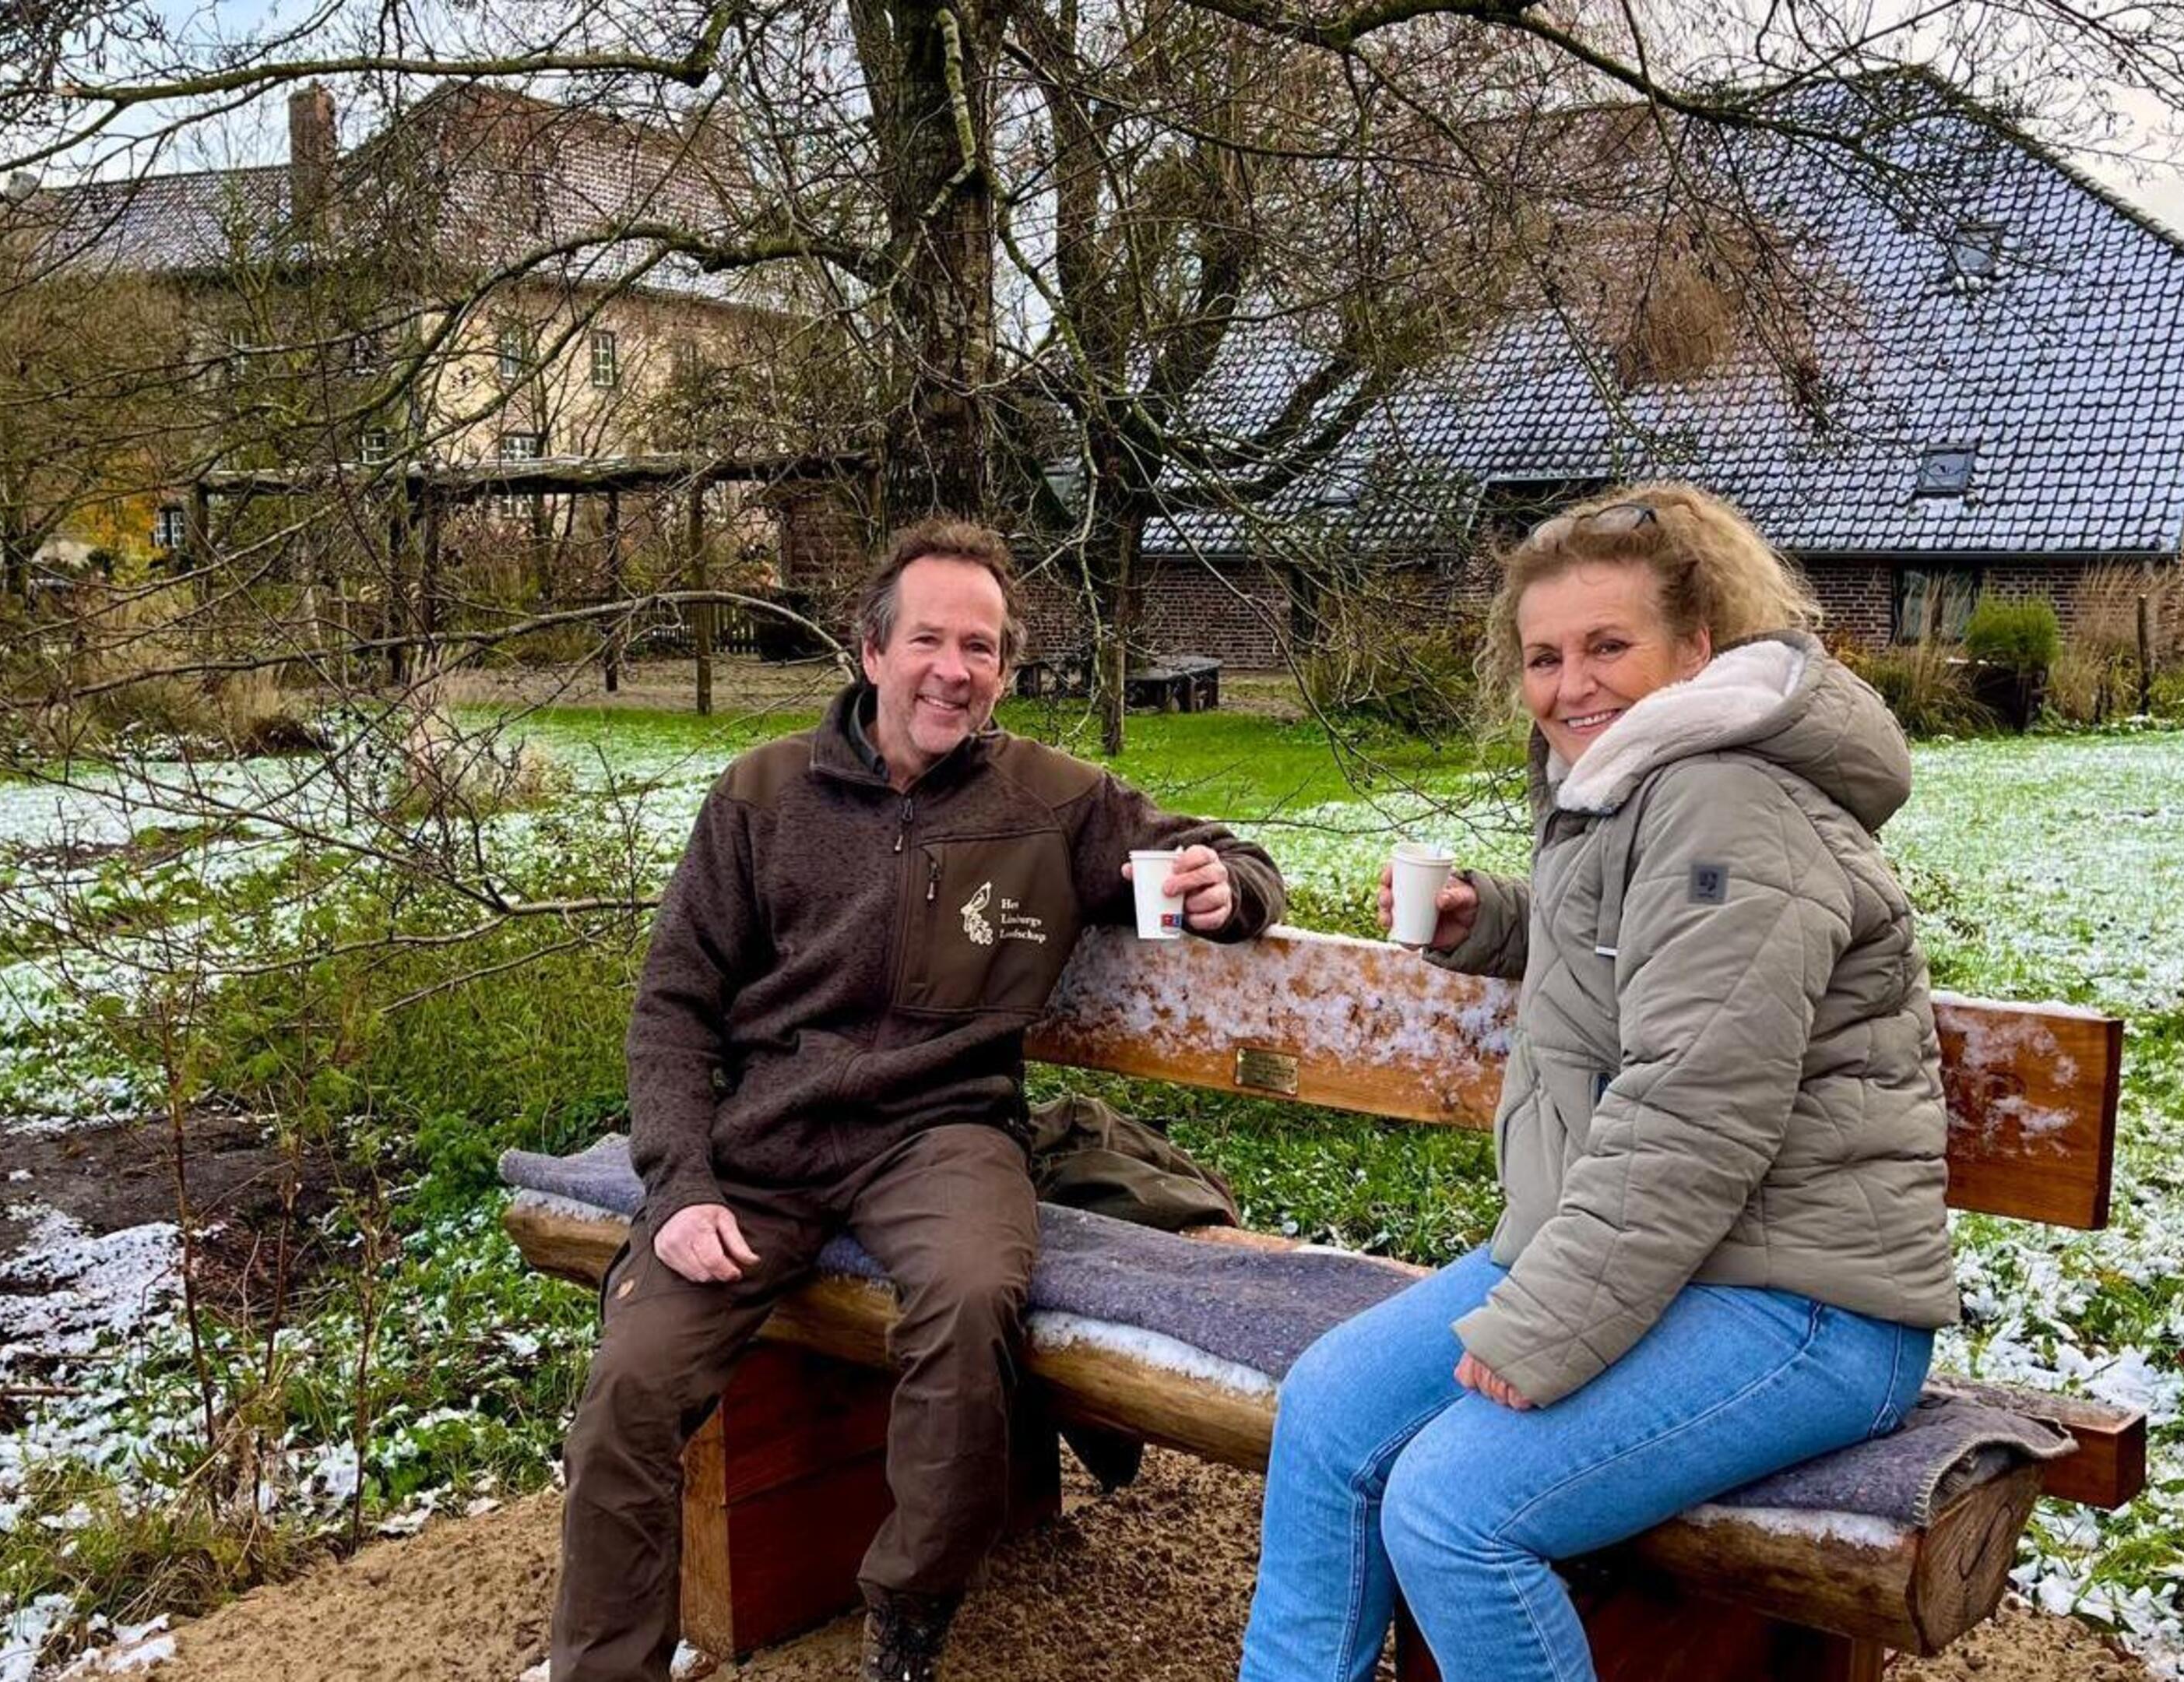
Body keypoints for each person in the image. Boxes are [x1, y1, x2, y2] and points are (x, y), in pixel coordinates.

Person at [1237, 483, 1961, 1682]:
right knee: (1328, 1411)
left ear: (1699, 648)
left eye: (1608, 646)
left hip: (1803, 1305)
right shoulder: (1646, 784)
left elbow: (1695, 1110)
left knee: (1453, 1512)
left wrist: (1544, 1327)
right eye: (1545, 657)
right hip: (1664, 1257)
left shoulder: (1726, 801)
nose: (1571, 684)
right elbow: (1655, 946)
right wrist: (1496, 921)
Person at [552, 517, 1288, 1682]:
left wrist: (1226, 886)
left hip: (942, 1136)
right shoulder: (761, 797)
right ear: (872, 652)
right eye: (930, 641)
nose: (954, 670)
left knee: (970, 1300)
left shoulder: (1052, 801)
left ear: (1005, 670)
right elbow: (673, 1011)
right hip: (765, 1144)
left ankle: (907, 1613)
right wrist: (681, 1186)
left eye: (980, 648)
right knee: (631, 1389)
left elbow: (1228, 859)